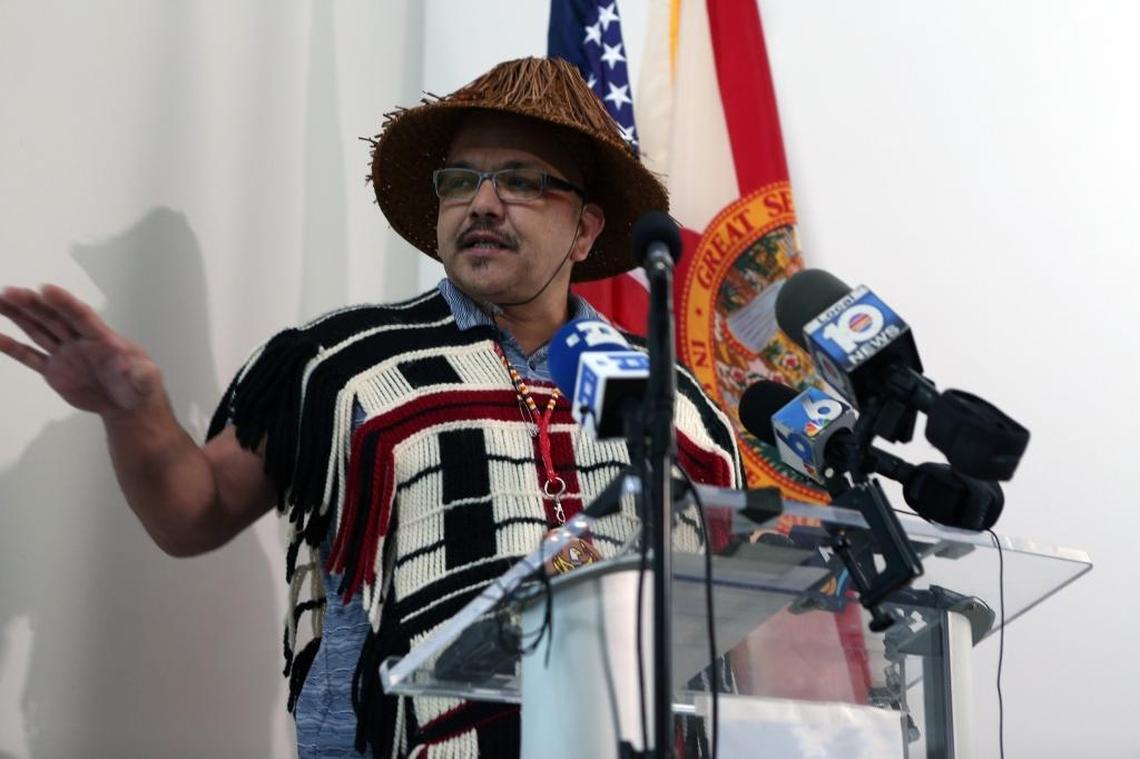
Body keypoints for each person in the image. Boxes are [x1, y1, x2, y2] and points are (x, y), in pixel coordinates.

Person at [0, 57, 741, 757]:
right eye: (461, 180)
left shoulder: (678, 404)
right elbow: (195, 509)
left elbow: (731, 624)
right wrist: (134, 412)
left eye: (519, 181)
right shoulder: (341, 364)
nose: (483, 203)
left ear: (585, 228)